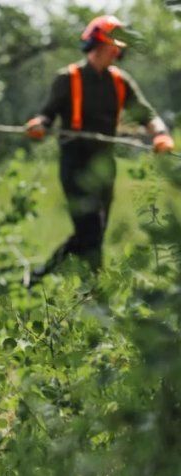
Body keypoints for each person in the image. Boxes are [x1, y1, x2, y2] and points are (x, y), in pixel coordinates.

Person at [25, 15, 175, 284]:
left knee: (93, 234)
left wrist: (161, 135)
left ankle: (39, 276)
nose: (116, 52)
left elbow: (147, 114)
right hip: (75, 163)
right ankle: (95, 296)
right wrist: (38, 125)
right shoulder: (67, 79)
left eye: (118, 48)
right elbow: (46, 116)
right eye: (112, 46)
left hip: (105, 163)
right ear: (97, 44)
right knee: (91, 231)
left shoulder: (120, 81)